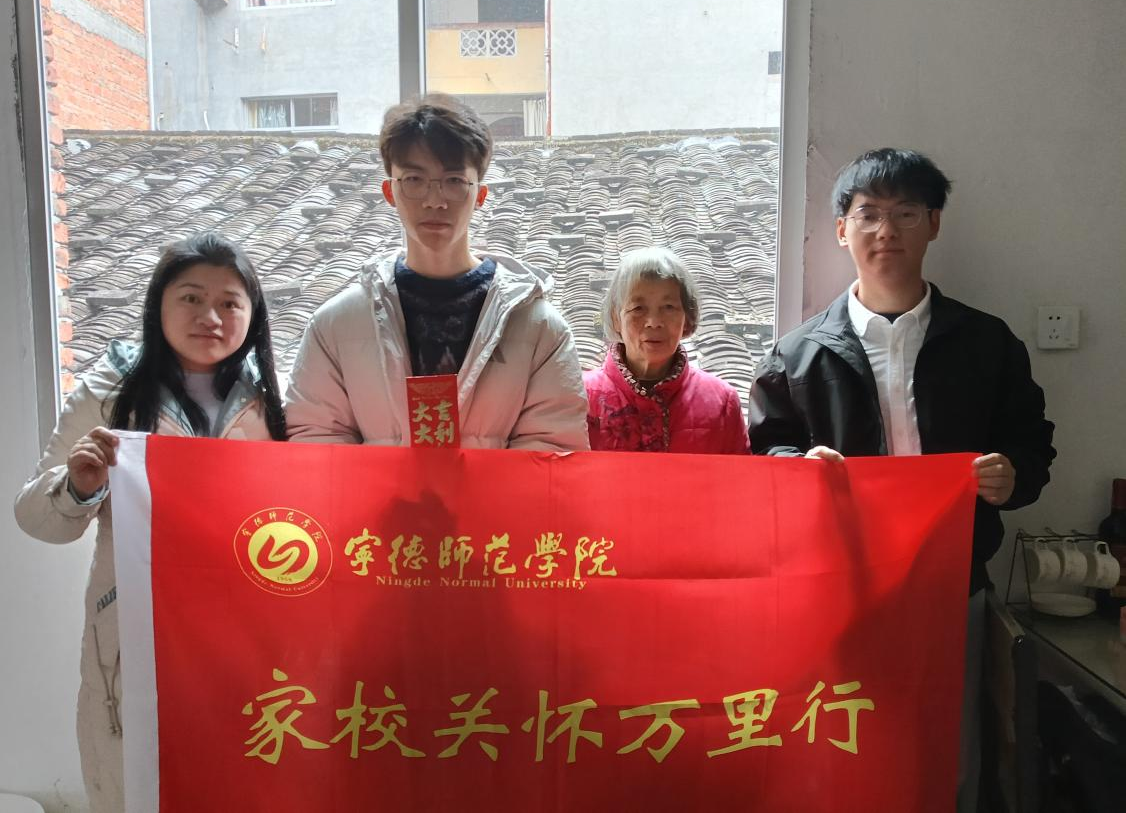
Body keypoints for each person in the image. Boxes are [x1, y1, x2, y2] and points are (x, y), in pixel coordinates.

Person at [747, 147, 1055, 813]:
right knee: (841, 741)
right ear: (842, 230)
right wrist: (800, 472)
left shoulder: (986, 343)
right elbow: (765, 455)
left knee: (951, 748)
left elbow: (1032, 444)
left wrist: (1012, 477)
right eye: (869, 215)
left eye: (906, 213)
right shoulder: (797, 354)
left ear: (934, 223)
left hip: (953, 581)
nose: (886, 231)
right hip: (840, 587)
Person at [13, 232, 286, 813]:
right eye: (191, 298)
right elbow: (37, 518)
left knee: (243, 779)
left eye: (230, 303)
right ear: (158, 304)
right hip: (137, 632)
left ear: (253, 315)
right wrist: (80, 486)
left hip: (247, 632)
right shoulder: (109, 392)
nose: (210, 317)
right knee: (139, 784)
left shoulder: (274, 401)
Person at [285, 93, 588, 450]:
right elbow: (318, 445)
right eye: (414, 180)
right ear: (390, 191)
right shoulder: (336, 325)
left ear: (480, 195)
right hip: (376, 492)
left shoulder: (539, 328)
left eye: (454, 181)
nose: (434, 201)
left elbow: (552, 448)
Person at [584, 247, 749, 454]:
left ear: (687, 318)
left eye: (669, 307)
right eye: (638, 308)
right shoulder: (580, 399)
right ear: (616, 318)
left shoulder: (723, 402)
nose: (654, 322)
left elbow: (740, 474)